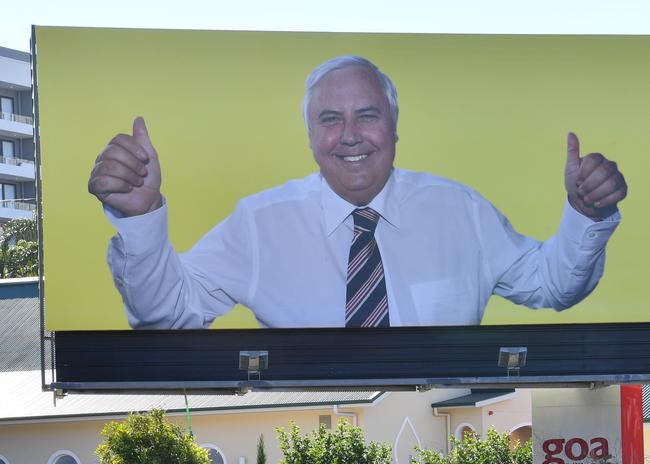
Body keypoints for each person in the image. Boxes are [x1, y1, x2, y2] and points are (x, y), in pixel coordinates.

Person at [88, 55, 627, 329]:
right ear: (310, 137)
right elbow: (166, 314)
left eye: (367, 116)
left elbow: (553, 286)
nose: (349, 135)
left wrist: (584, 215)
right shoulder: (259, 223)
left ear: (394, 128)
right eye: (330, 119)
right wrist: (140, 219)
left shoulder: (458, 210)